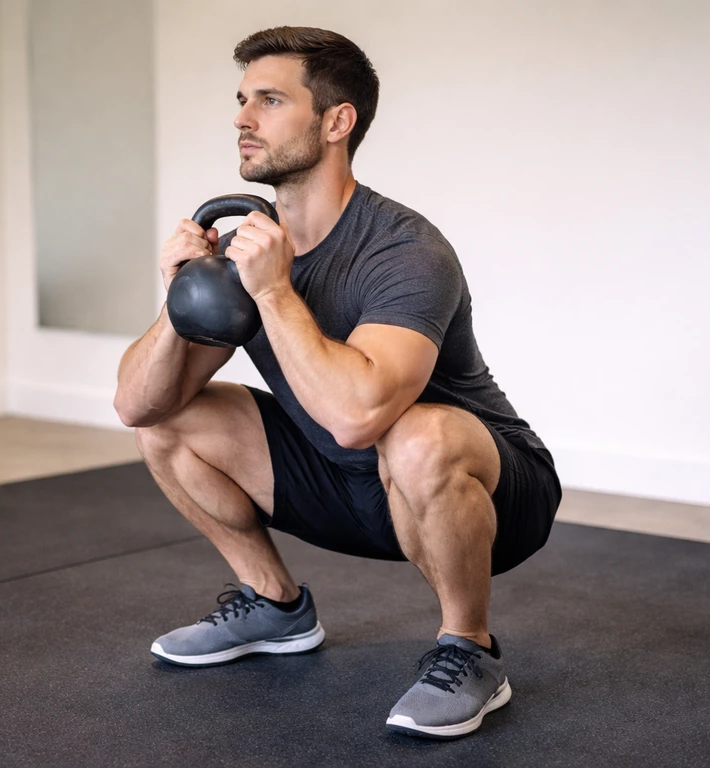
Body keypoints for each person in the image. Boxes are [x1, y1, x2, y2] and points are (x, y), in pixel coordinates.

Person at [113, 26, 562, 741]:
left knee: (416, 434)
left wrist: (277, 294)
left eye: (268, 100)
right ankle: (274, 605)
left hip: (484, 490)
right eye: (240, 100)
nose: (241, 118)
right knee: (171, 420)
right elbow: (137, 404)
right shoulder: (247, 252)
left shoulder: (405, 250)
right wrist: (178, 299)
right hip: (344, 482)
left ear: (335, 121)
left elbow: (359, 418)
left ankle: (469, 649)